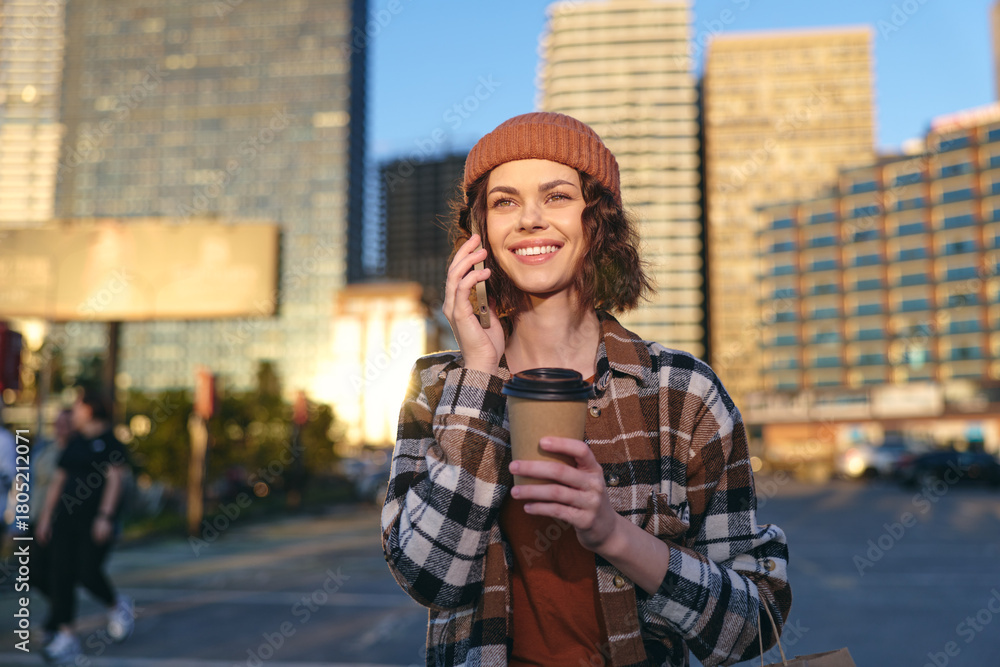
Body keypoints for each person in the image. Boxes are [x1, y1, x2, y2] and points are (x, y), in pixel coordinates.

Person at [381, 112, 791, 667]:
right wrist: (479, 374)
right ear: (480, 234)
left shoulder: (682, 392)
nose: (529, 219)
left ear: (597, 220)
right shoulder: (439, 386)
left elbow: (754, 624)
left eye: (556, 196)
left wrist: (614, 535)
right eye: (504, 202)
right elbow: (429, 577)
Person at [37, 388, 134, 663]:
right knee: (60, 576)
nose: (74, 412)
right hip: (64, 521)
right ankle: (66, 636)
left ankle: (117, 605)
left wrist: (105, 517)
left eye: (78, 406)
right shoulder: (75, 442)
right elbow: (59, 481)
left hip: (93, 522)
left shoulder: (111, 443)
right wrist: (46, 518)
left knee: (87, 571)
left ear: (90, 409)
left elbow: (115, 481)